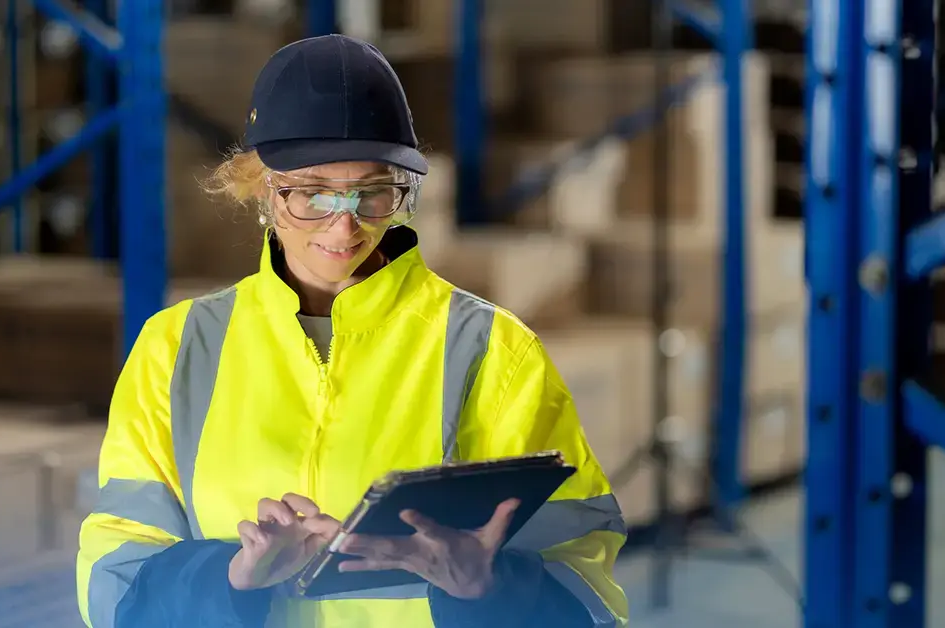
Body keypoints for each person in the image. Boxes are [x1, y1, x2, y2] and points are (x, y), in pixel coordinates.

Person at [75, 34, 628, 628]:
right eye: (312, 195)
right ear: (262, 189)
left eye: (372, 193)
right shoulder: (176, 350)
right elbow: (116, 576)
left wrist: (489, 588)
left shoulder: (492, 351)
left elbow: (585, 588)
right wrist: (231, 579)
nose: (345, 229)